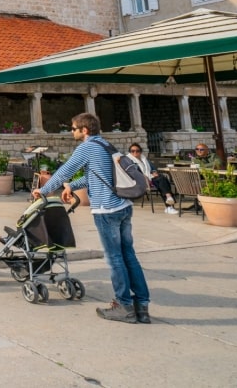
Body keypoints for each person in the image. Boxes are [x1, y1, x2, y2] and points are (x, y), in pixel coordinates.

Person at [33, 112, 151, 324]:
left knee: (114, 258)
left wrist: (43, 190)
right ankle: (141, 306)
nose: (72, 131)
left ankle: (123, 306)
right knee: (129, 256)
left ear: (84, 130)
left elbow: (63, 172)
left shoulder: (86, 147)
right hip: (123, 206)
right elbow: (95, 175)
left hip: (106, 209)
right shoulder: (105, 145)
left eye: (74, 128)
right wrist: (72, 186)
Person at [129, 144, 176, 214]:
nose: (135, 152)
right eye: (132, 151)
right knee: (162, 181)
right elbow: (132, 173)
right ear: (130, 152)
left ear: (140, 151)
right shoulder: (129, 161)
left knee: (162, 180)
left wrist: (154, 172)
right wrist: (144, 176)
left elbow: (153, 169)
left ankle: (169, 201)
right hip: (141, 181)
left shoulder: (144, 159)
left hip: (151, 178)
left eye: (137, 151)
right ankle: (169, 204)